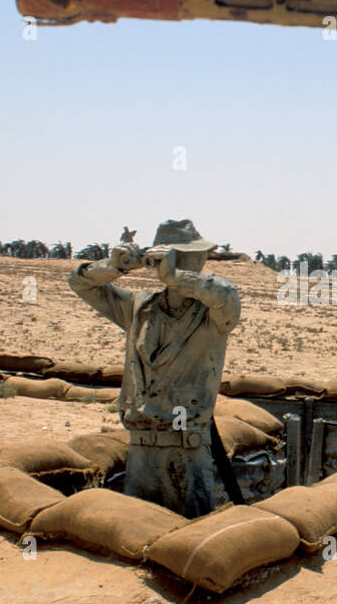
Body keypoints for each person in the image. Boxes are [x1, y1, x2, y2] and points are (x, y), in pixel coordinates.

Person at [68, 219, 240, 517]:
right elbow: (80, 283)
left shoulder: (212, 314)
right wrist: (114, 267)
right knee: (137, 533)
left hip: (187, 450)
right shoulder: (139, 307)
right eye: (194, 254)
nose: (201, 259)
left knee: (188, 542)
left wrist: (177, 277)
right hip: (141, 448)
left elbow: (228, 297)